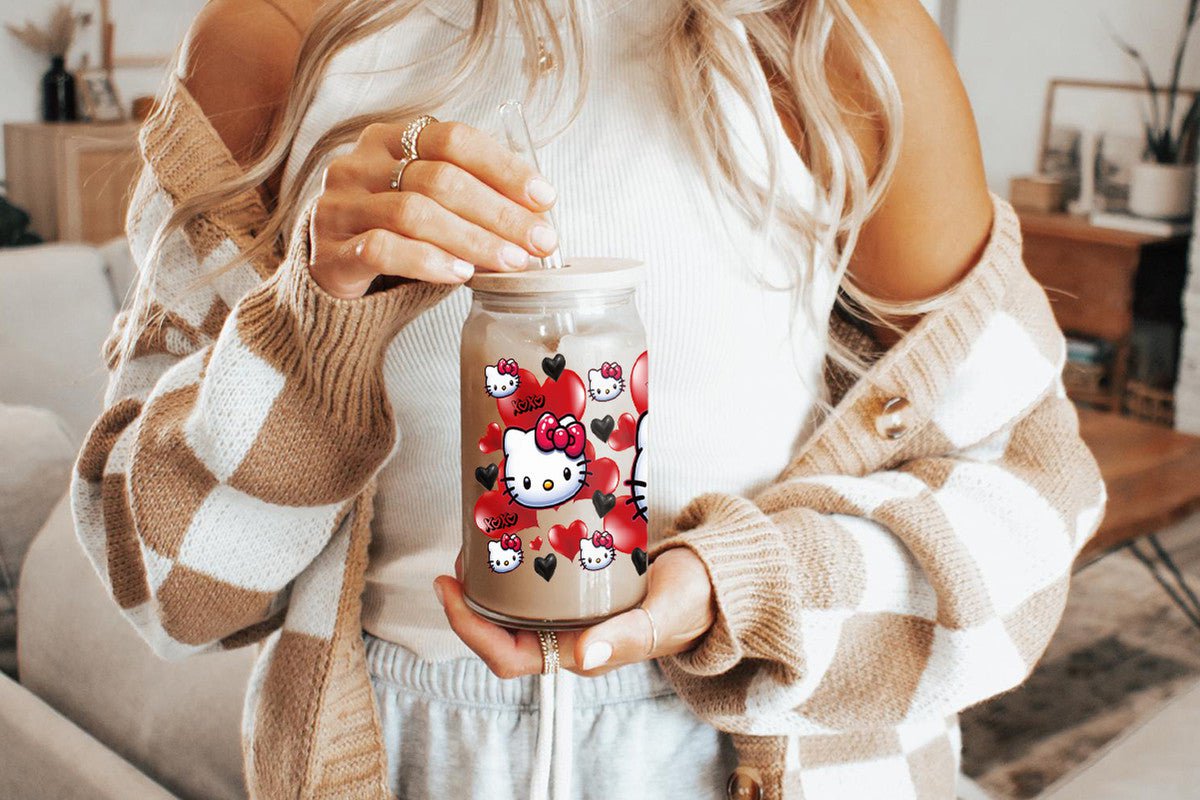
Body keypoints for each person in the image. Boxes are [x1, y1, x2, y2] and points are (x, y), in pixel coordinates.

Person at [71, 1, 1105, 798]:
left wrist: (741, 583)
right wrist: (313, 324)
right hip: (403, 754)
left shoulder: (835, 39)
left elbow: (1030, 506)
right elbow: (169, 591)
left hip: (762, 754)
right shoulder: (275, 37)